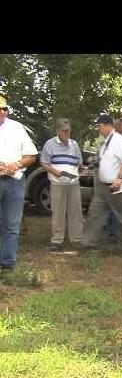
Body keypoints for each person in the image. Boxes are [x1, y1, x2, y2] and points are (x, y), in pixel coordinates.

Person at [81, 114, 122, 255]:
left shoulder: (119, 140)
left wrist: (119, 179)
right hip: (103, 187)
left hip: (117, 186)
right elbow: (105, 161)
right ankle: (88, 243)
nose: (98, 130)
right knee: (95, 213)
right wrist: (90, 167)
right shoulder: (106, 142)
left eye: (99, 126)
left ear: (106, 125)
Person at [0, 95, 38, 272]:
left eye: (4, 109)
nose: (2, 112)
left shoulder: (16, 128)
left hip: (15, 182)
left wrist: (17, 164)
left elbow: (31, 155)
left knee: (12, 225)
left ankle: (8, 263)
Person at [40, 118, 84, 251]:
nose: (67, 133)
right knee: (58, 212)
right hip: (57, 182)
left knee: (76, 211)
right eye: (64, 131)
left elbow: (79, 162)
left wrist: (82, 168)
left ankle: (77, 239)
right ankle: (57, 240)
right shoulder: (50, 144)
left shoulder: (74, 144)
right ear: (58, 131)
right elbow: (44, 163)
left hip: (73, 182)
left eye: (68, 131)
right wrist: (54, 171)